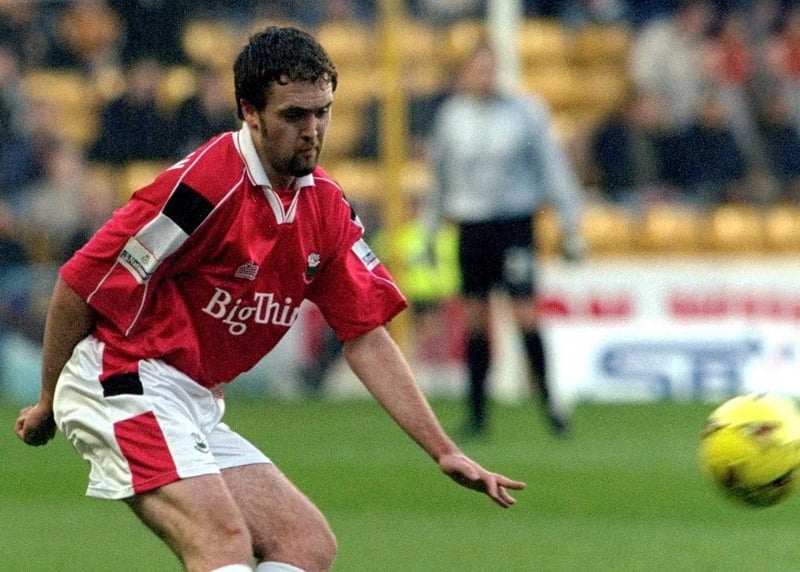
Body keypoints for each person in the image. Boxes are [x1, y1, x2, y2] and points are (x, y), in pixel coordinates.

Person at [14, 26, 524, 572]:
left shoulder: (324, 207)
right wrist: (48, 399)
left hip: (191, 398)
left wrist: (443, 449)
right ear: (249, 111)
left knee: (305, 545)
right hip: (123, 378)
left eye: (322, 112)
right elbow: (79, 282)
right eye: (294, 116)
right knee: (221, 544)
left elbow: (365, 336)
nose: (312, 131)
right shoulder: (203, 187)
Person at [429, 41, 584, 439]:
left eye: (490, 68)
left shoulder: (524, 113)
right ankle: (477, 414)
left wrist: (570, 222)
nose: (485, 76)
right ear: (466, 73)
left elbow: (551, 166)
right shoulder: (452, 118)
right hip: (471, 226)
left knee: (525, 312)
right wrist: (431, 231)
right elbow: (439, 179)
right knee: (476, 319)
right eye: (477, 69)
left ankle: (550, 403)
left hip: (514, 223)